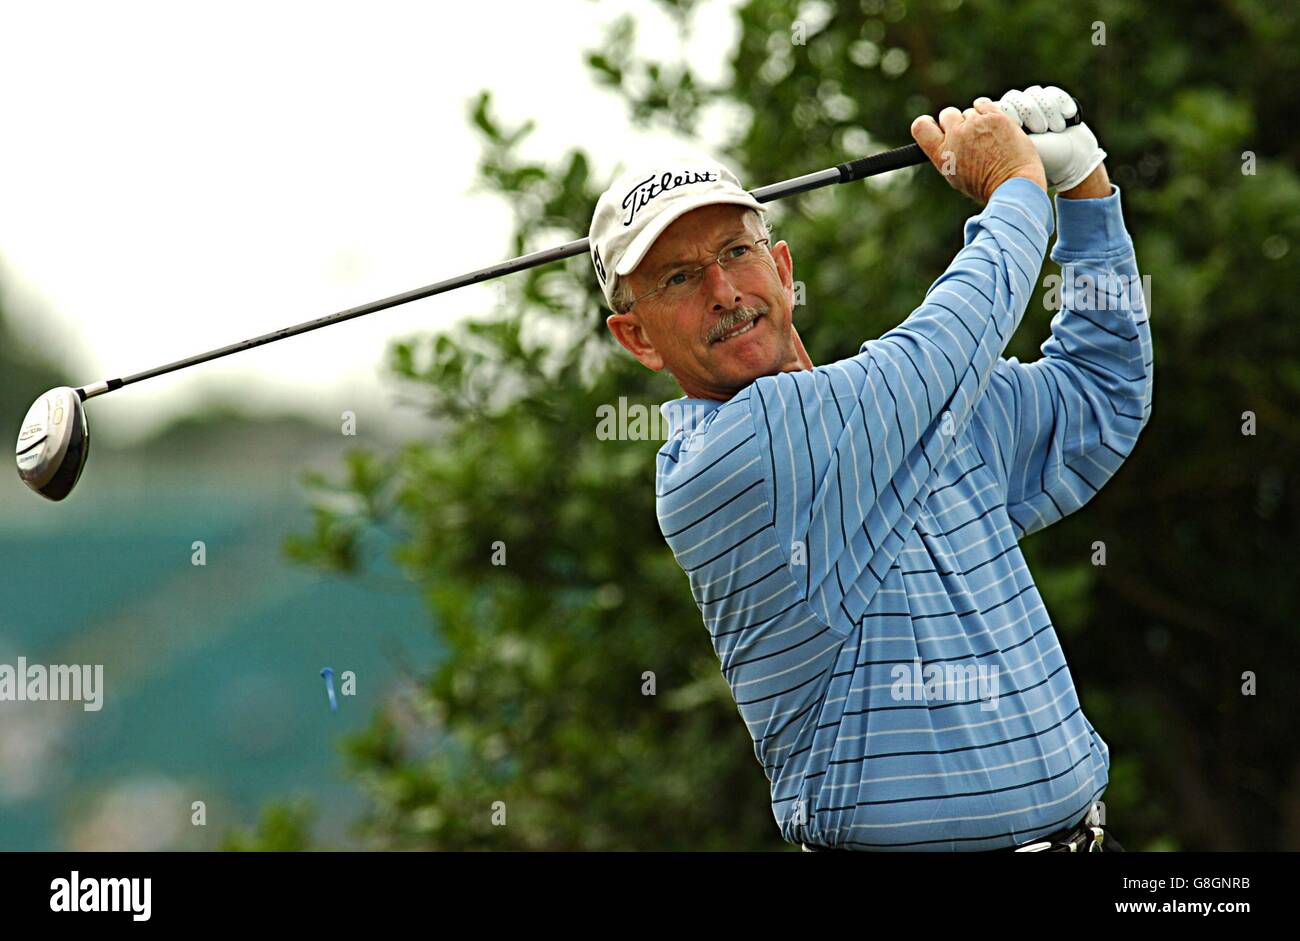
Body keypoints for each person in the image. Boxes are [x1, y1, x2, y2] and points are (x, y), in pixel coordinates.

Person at [587, 86, 1151, 851]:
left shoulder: (913, 407)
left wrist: (1085, 185)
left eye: (735, 252)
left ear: (782, 269)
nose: (724, 291)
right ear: (638, 338)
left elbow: (1102, 392)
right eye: (678, 279)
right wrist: (1015, 186)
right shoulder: (726, 459)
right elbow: (942, 348)